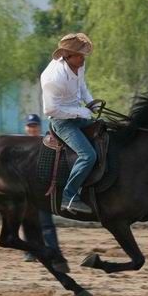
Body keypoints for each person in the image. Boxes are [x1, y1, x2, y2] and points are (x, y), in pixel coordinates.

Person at [40, 32, 98, 215]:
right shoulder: (53, 78)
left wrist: (91, 102)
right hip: (61, 121)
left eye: (84, 55)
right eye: (80, 55)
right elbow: (50, 110)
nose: (83, 59)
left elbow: (82, 87)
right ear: (67, 55)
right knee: (88, 155)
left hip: (78, 114)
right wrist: (81, 111)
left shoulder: (78, 65)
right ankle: (68, 196)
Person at [22, 114, 68, 268]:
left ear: (39, 127)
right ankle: (30, 252)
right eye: (30, 126)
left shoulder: (47, 143)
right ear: (26, 128)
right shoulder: (20, 145)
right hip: (26, 190)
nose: (32, 129)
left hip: (42, 189)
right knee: (28, 222)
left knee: (46, 223)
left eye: (34, 126)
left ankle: (54, 252)